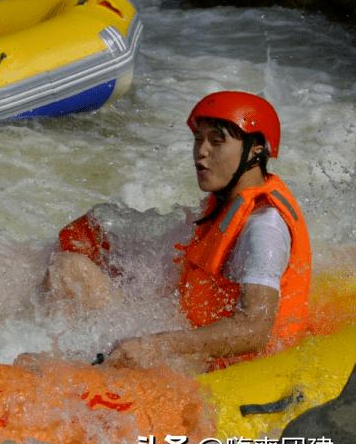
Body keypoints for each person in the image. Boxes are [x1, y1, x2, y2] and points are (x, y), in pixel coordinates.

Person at [42, 91, 311, 371]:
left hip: (234, 371)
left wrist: (156, 346)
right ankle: (40, 347)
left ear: (256, 150)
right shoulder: (223, 203)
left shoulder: (264, 227)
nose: (201, 151)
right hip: (192, 335)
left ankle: (55, 370)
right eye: (198, 140)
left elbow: (254, 330)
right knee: (68, 269)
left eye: (217, 140)